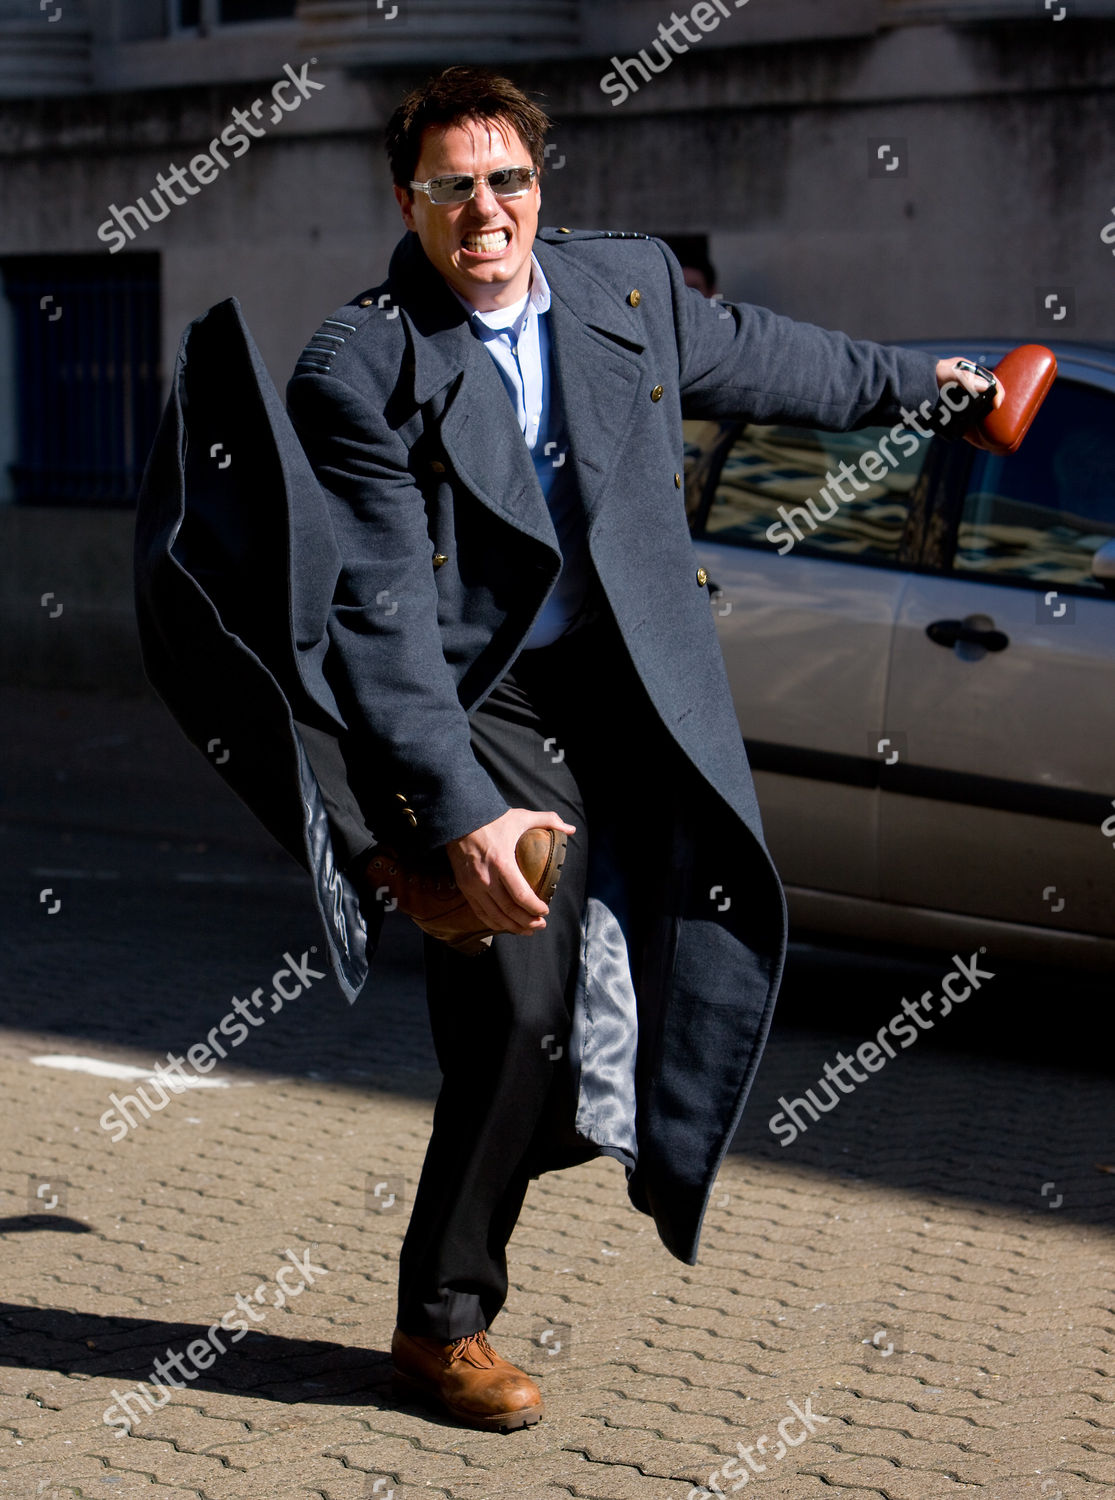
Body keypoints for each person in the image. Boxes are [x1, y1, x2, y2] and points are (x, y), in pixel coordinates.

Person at [284, 65, 1001, 1433]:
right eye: (452, 185)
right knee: (522, 1012)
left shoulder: (627, 289)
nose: (484, 209)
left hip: (624, 692)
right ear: (409, 201)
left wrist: (942, 390)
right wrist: (457, 808)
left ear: (540, 190)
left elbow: (798, 363)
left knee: (658, 987)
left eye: (508, 179)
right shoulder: (360, 364)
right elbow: (379, 615)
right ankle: (444, 1323)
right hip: (474, 704)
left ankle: (554, 1091)